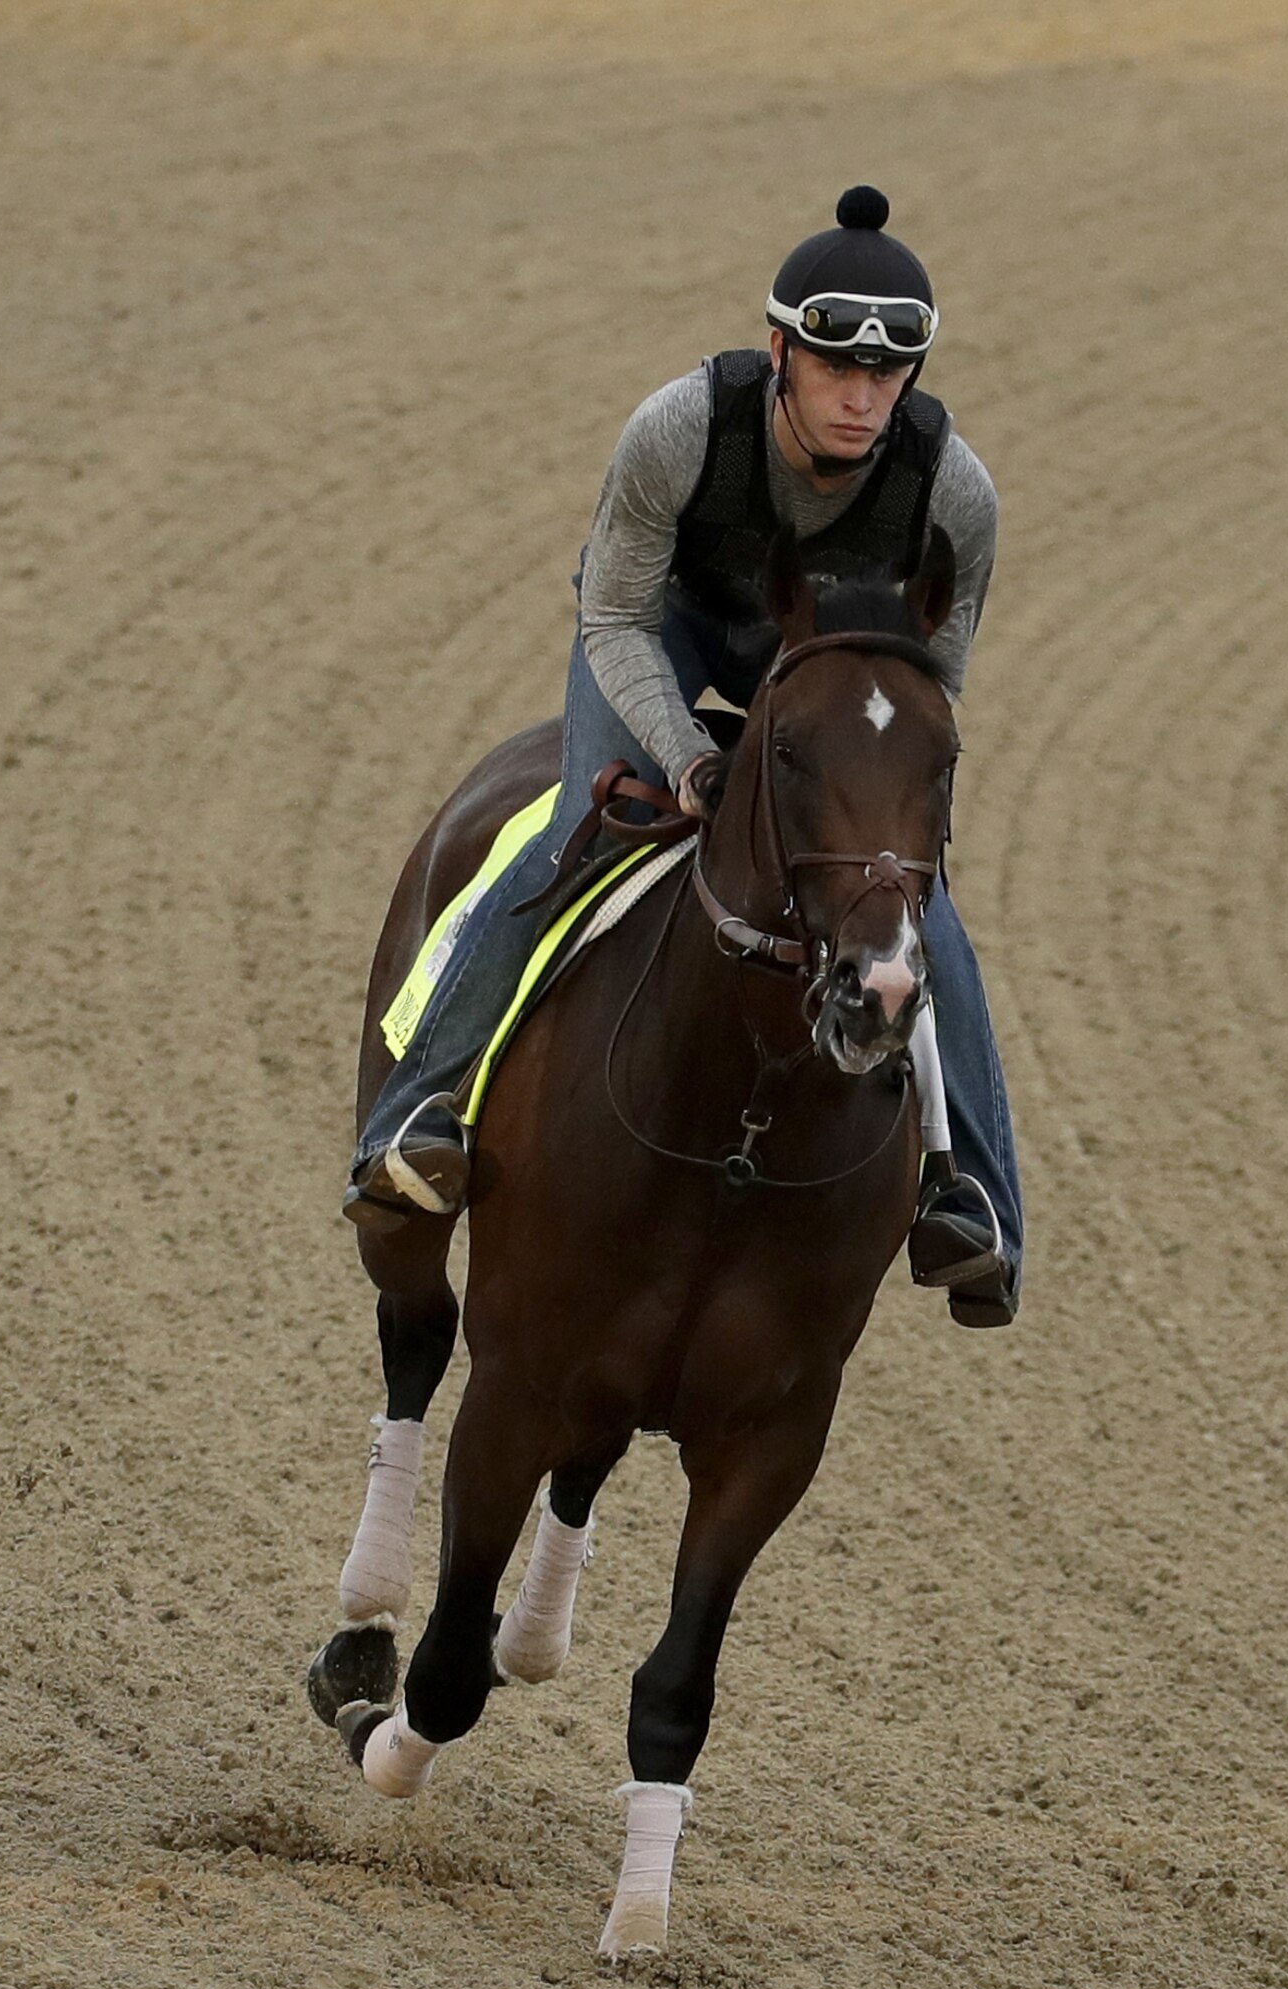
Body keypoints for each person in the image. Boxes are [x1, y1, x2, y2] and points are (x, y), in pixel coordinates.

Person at [346, 185, 1022, 1328]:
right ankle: (418, 1114)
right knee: (574, 830)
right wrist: (691, 759)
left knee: (920, 904)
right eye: (833, 370)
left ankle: (976, 1199)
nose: (862, 398)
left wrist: (869, 813)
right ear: (780, 356)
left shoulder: (955, 491)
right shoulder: (677, 429)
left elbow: (927, 687)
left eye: (886, 378)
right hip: (662, 632)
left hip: (826, 663)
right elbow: (613, 619)